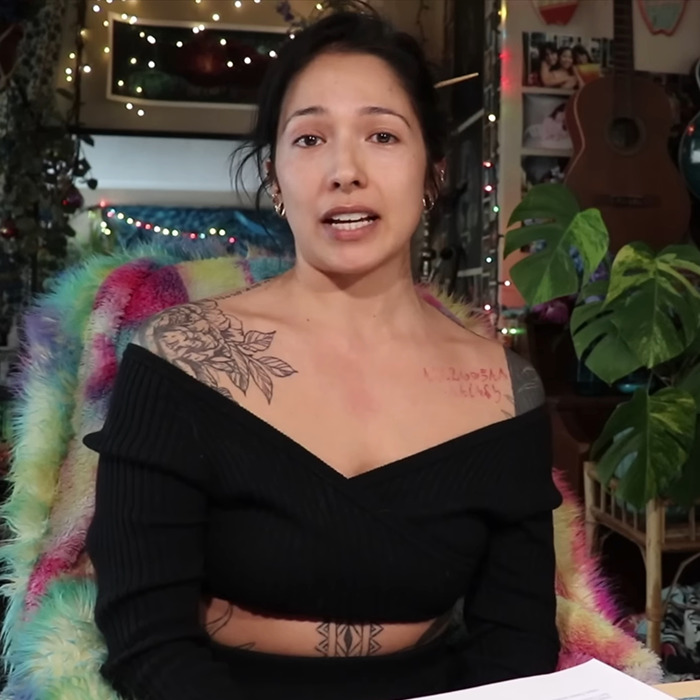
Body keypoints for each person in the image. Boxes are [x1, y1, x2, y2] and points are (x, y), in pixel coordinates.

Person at [84, 9, 562, 700]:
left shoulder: (504, 389)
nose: (345, 170)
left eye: (381, 135)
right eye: (310, 137)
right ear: (274, 176)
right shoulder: (178, 360)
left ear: (432, 171)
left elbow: (516, 644)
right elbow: (144, 640)